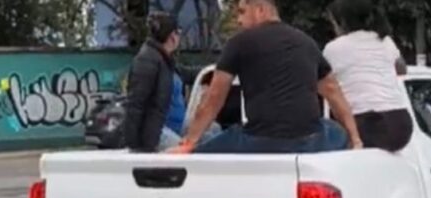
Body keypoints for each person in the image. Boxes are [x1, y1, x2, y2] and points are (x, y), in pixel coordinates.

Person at [169, 0, 362, 154]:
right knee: (334, 130)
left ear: (260, 10)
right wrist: (355, 139)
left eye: (242, 12)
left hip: (259, 140)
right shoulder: (307, 42)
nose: (238, 21)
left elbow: (214, 98)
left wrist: (189, 142)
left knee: (204, 150)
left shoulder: (239, 43)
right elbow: (333, 91)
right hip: (309, 139)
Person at [324, 0, 413, 152]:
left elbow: (322, 81)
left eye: (333, 23)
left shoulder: (333, 48)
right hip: (400, 125)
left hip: (364, 125)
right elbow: (402, 68)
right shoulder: (385, 41)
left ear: (342, 22)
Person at [124, 12, 181, 152]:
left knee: (210, 132)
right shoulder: (147, 60)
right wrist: (137, 145)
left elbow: (185, 73)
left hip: (163, 127)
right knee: (187, 152)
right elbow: (135, 103)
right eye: (178, 32)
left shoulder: (164, 60)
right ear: (172, 36)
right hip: (153, 134)